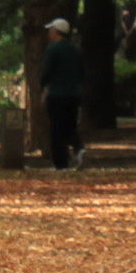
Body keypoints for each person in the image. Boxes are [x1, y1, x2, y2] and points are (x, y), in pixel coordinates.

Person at [38, 16, 92, 170]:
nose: (49, 33)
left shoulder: (53, 49)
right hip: (73, 95)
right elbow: (82, 73)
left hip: (56, 94)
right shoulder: (76, 50)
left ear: (56, 32)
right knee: (70, 126)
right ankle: (79, 148)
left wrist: (43, 87)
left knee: (56, 128)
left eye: (51, 30)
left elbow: (46, 72)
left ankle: (60, 163)